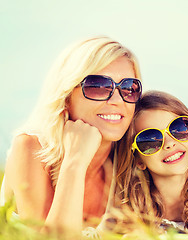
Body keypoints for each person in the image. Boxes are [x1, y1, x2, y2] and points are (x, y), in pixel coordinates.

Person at [0, 36, 142, 236]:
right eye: (98, 86)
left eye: (129, 88)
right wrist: (75, 161)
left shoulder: (129, 159)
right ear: (66, 96)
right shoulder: (31, 146)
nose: (118, 100)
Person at [100, 91, 188, 238]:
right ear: (138, 160)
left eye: (178, 128)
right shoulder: (130, 199)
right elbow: (103, 234)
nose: (169, 143)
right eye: (150, 141)